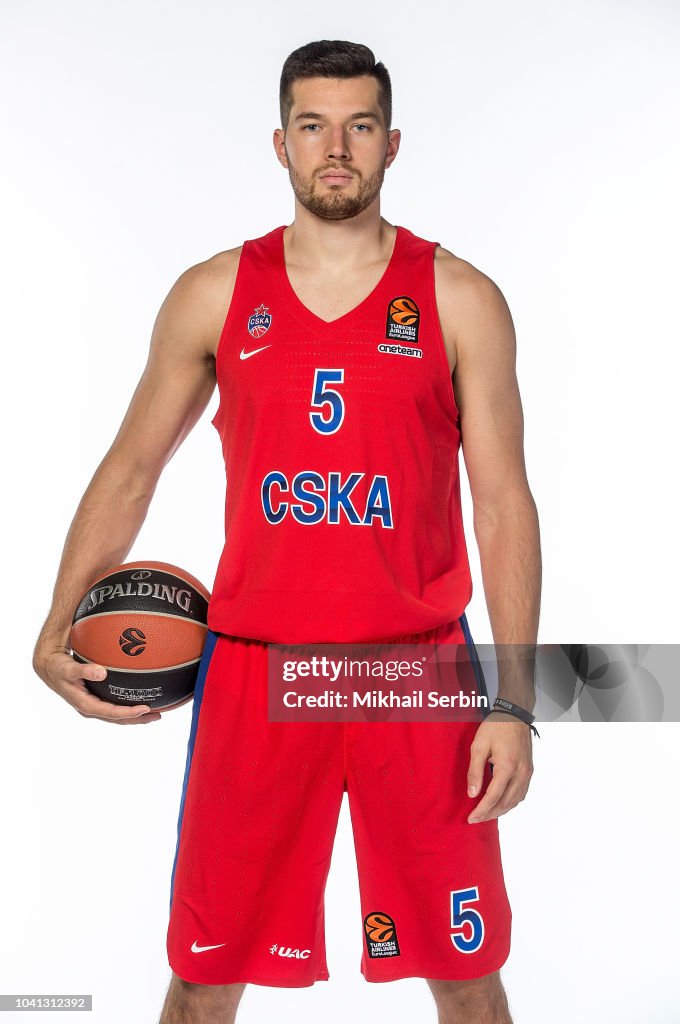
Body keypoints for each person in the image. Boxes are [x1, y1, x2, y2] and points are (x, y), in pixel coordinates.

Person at [32, 38, 541, 1024]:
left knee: (466, 977)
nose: (335, 148)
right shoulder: (215, 293)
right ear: (280, 143)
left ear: (393, 143)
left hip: (417, 676)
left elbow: (501, 505)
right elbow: (130, 468)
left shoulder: (459, 299)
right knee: (202, 977)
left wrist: (513, 705)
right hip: (257, 678)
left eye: (357, 126)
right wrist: (56, 623)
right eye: (313, 126)